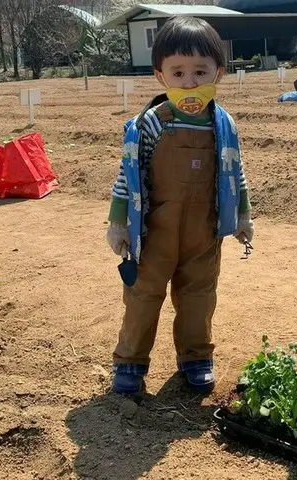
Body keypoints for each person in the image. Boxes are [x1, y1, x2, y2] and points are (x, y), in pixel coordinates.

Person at [105, 16, 254, 395]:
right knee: (144, 293)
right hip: (155, 229)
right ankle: (130, 361)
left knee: (199, 294)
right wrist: (118, 223)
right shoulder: (152, 123)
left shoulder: (224, 125)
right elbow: (128, 174)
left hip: (203, 230)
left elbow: (236, 174)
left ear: (218, 73)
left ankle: (196, 356)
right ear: (161, 76)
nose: (190, 82)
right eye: (179, 72)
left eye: (200, 72)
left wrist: (243, 216)